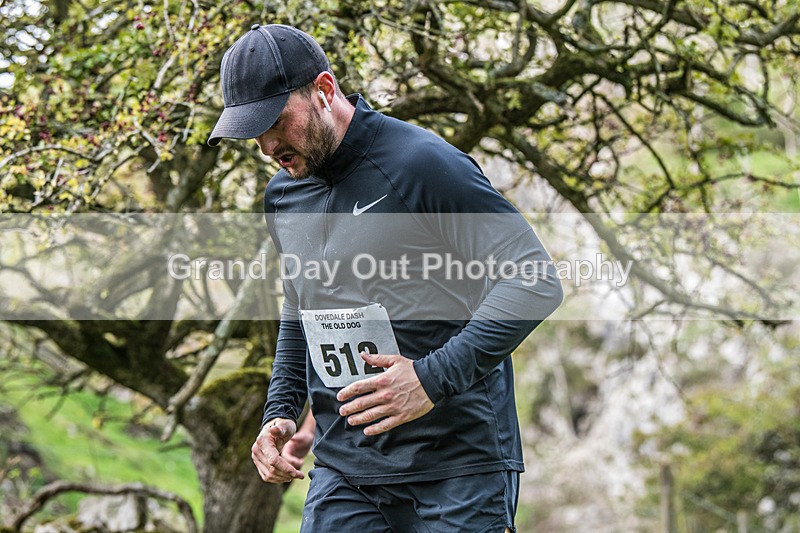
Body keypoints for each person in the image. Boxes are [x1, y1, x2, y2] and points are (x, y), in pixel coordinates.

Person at [208, 23, 563, 532]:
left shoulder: (422, 164)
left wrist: (428, 378)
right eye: (253, 132)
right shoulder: (283, 196)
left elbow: (534, 279)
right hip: (346, 472)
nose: (267, 145)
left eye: (276, 121)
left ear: (325, 91)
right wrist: (280, 410)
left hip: (456, 471)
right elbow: (300, 306)